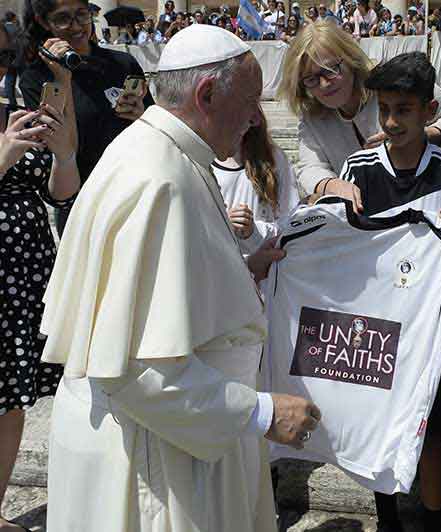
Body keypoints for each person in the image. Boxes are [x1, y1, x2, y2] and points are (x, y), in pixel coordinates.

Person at [39, 24, 322, 532]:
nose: (258, 117)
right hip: (158, 460)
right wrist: (261, 413)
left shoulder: (155, 154)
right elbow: (135, 369)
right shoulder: (160, 179)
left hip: (173, 443)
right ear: (207, 94)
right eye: (252, 100)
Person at [337, 50, 441, 532]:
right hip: (376, 331)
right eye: (384, 110)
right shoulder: (358, 169)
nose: (392, 121)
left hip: (431, 332)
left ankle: (434, 520)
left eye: (403, 110)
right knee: (380, 423)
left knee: (434, 433)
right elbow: (336, 238)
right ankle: (388, 522)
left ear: (428, 111)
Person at [0, 27, 80, 532]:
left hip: (23, 272)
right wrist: (5, 154)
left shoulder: (20, 105)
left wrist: (63, 153)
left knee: (9, 401)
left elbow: (60, 193)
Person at [278, 19, 441, 202]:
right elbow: (310, 167)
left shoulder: (392, 79)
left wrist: (419, 135)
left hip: (423, 196)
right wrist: (333, 186)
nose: (324, 84)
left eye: (331, 70)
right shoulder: (311, 117)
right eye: (311, 79)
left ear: (350, 59)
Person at [19, 0, 153, 235]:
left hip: (132, 193)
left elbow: (155, 127)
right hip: (81, 204)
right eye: (62, 19)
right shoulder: (36, 78)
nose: (76, 26)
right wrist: (63, 78)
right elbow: (64, 151)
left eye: (82, 15)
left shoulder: (122, 63)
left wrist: (141, 116)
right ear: (44, 22)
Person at [214, 105, 299, 253]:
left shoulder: (273, 159)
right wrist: (224, 223)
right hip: (221, 262)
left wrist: (254, 231)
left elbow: (292, 220)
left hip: (265, 266)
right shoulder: (201, 160)